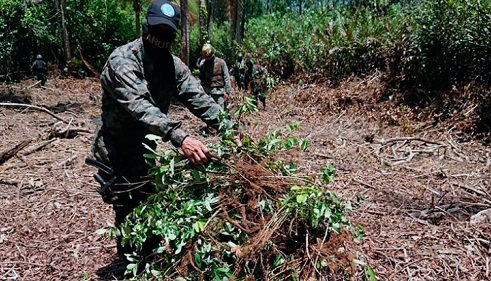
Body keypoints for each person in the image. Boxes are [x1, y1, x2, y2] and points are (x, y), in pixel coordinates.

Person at [88, 0, 239, 264]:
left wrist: (229, 128)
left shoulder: (173, 65)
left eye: (168, 33)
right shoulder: (123, 60)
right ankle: (133, 266)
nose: (162, 38)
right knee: (129, 210)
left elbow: (198, 98)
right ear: (147, 27)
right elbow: (141, 107)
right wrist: (181, 138)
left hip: (146, 146)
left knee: (150, 203)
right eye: (158, 31)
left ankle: (151, 260)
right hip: (117, 148)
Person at [196, 43, 233, 109]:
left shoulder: (221, 62)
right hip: (207, 92)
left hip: (218, 92)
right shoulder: (203, 63)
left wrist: (228, 92)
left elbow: (226, 77)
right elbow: (201, 77)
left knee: (220, 111)